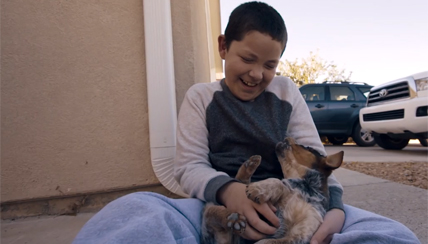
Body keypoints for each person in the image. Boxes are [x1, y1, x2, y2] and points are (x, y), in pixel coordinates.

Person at [73, 2, 421, 244]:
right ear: (224, 47)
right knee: (131, 211)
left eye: (270, 65)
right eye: (247, 59)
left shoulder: (287, 92)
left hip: (293, 205)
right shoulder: (201, 97)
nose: (257, 74)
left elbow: (315, 161)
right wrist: (229, 191)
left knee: (393, 234)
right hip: (218, 204)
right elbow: (189, 166)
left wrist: (335, 211)